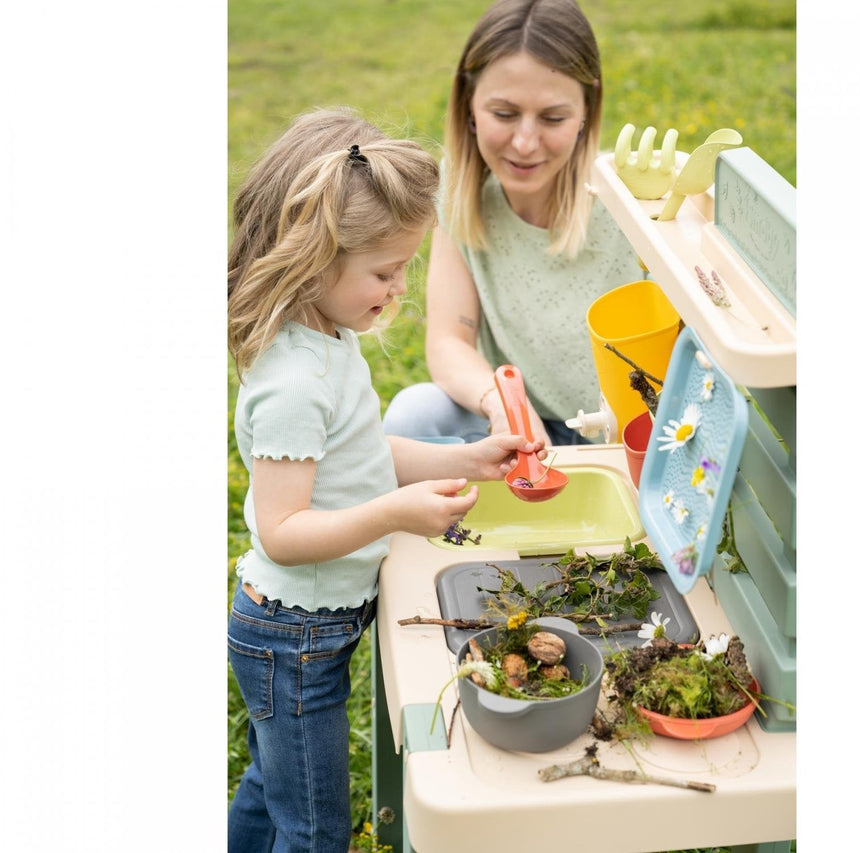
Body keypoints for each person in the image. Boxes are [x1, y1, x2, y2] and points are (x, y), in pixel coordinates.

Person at [226, 107, 541, 852]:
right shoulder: (295, 383)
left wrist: (466, 457)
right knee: (315, 828)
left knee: (273, 788)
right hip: (294, 637)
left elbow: (362, 453)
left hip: (310, 630)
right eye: (384, 271)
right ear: (314, 259)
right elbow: (282, 531)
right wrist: (395, 512)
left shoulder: (327, 335)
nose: (399, 288)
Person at [382, 0, 642, 447]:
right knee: (415, 415)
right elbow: (448, 341)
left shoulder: (630, 199)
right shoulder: (461, 193)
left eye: (553, 118)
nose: (524, 142)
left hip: (631, 435)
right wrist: (507, 408)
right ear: (468, 103)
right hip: (522, 429)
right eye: (504, 114)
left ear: (587, 109)